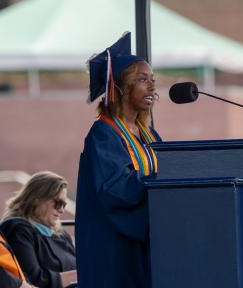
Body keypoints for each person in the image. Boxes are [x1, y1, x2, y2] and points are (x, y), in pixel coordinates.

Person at [76, 32, 161, 288]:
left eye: (153, 80)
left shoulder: (148, 134)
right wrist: (161, 182)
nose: (152, 87)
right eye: (142, 80)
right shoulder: (103, 133)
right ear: (121, 87)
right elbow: (116, 189)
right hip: (117, 247)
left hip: (145, 245)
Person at [0, 171, 77, 288]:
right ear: (36, 199)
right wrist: (78, 276)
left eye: (64, 205)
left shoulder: (62, 235)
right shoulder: (18, 230)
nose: (61, 210)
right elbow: (32, 279)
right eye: (57, 203)